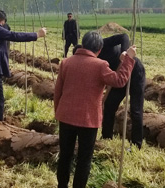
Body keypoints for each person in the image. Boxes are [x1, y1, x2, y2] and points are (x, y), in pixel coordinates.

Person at [54, 31, 137, 188]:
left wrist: (58, 111)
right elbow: (119, 81)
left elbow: (58, 91)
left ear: (83, 44)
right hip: (88, 120)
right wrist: (129, 59)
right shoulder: (101, 66)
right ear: (99, 49)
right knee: (84, 159)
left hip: (65, 117)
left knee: (65, 155)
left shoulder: (66, 62)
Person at [99, 33, 146, 149]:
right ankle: (106, 137)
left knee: (135, 110)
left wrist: (125, 52)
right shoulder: (91, 57)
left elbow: (124, 36)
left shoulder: (102, 43)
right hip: (119, 77)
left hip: (135, 73)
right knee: (109, 105)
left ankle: (136, 144)